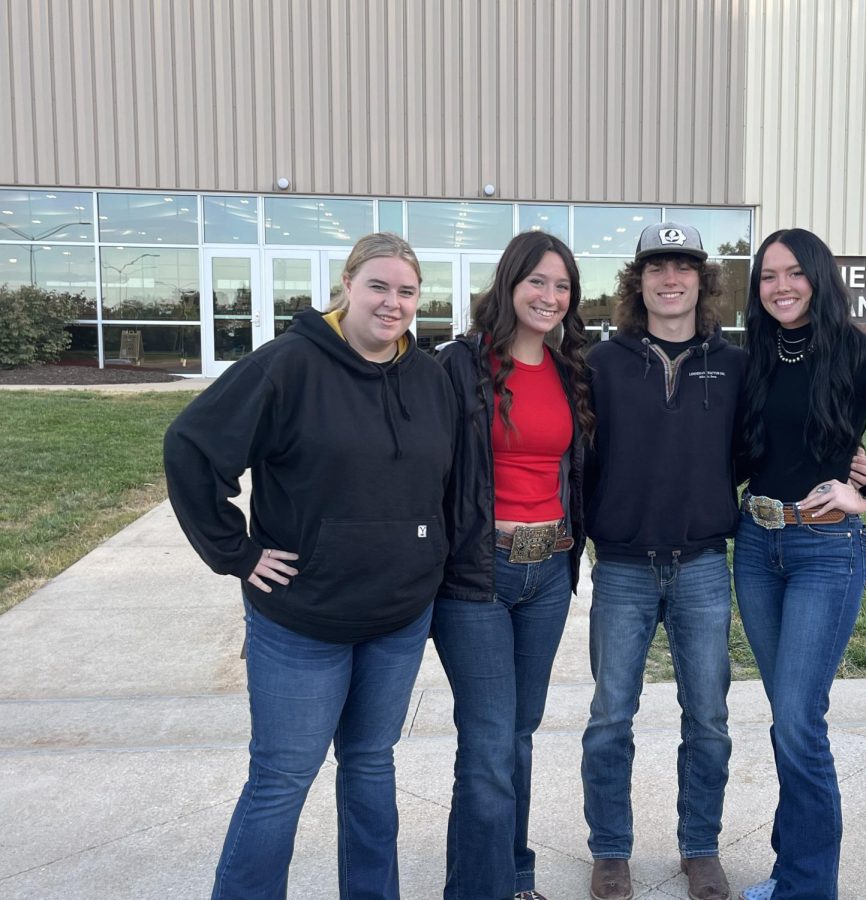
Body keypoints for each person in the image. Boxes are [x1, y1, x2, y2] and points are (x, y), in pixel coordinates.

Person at [163, 232, 457, 900]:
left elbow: (446, 479)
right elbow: (190, 447)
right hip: (302, 618)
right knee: (282, 778)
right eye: (378, 286)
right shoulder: (288, 364)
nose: (392, 302)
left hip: (399, 617)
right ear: (348, 285)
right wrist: (235, 553)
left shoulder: (428, 376)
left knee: (370, 765)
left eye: (406, 291)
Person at [732, 229, 866, 900]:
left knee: (799, 721)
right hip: (756, 546)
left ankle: (807, 887)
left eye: (794, 273)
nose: (781, 287)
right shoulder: (756, 357)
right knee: (786, 718)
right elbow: (745, 458)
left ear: (820, 278)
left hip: (826, 552)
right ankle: (792, 868)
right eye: (768, 276)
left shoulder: (859, 354)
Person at [579, 222, 745, 900]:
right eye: (657, 266)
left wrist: (848, 462)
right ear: (637, 280)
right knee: (610, 717)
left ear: (701, 281)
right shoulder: (601, 362)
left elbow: (766, 445)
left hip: (704, 562)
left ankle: (699, 848)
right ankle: (611, 852)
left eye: (683, 266)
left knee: (707, 716)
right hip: (621, 566)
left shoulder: (733, 363)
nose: (670, 278)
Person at [433, 230, 594, 900]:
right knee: (489, 742)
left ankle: (514, 877)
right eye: (538, 282)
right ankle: (477, 889)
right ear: (509, 284)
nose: (550, 297)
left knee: (517, 737)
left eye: (562, 286)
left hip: (549, 573)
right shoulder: (459, 366)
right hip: (478, 575)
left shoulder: (572, 372)